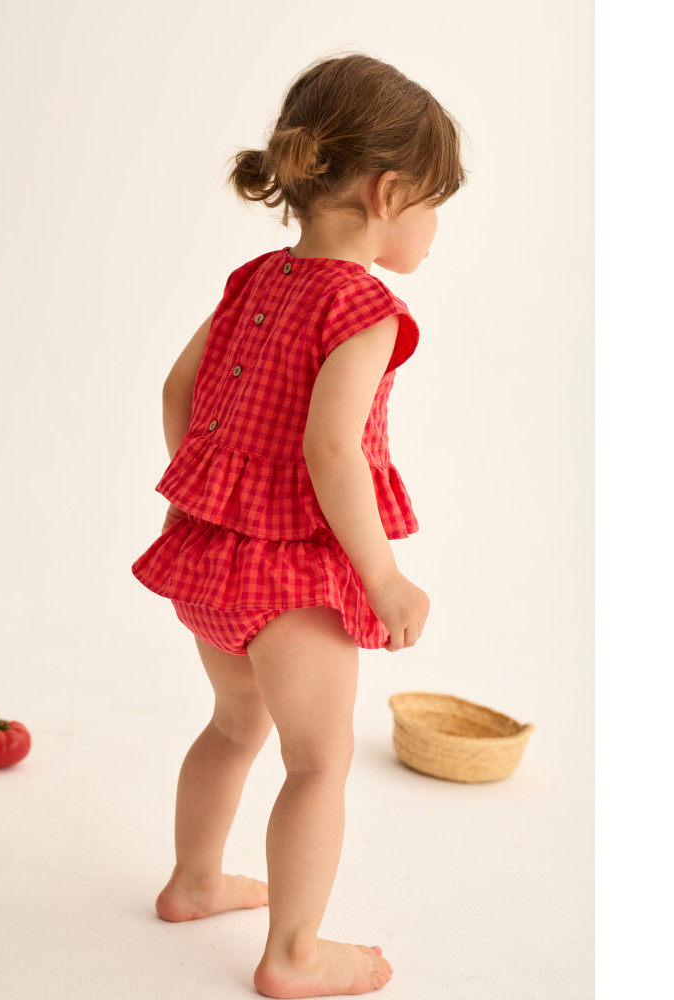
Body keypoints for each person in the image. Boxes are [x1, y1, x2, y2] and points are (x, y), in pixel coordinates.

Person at [131, 53, 466, 999]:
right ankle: (293, 954)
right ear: (387, 192)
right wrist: (383, 577)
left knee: (233, 725)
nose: (435, 227)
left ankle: (195, 882)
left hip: (209, 561)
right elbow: (332, 450)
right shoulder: (365, 306)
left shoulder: (255, 280)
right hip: (294, 580)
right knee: (319, 762)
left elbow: (178, 391)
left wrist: (203, 497)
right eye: (434, 204)